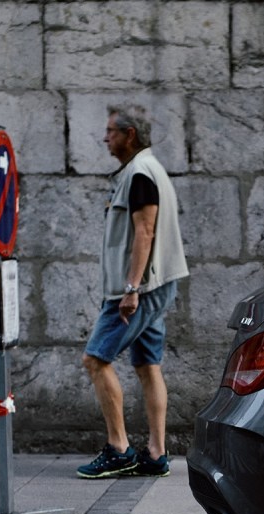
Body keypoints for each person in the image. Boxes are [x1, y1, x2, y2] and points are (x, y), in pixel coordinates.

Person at [76, 104, 189, 479]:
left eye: (111, 131)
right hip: (156, 285)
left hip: (140, 289)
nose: (104, 137)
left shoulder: (140, 173)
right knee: (146, 364)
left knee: (95, 360)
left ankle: (119, 448)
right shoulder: (146, 170)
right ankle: (156, 453)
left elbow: (145, 232)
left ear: (130, 136)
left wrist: (131, 289)